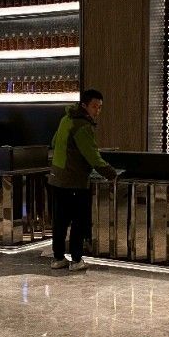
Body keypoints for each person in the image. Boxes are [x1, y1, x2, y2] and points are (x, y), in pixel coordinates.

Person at [48, 89, 117, 271]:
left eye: (100, 107)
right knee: (79, 221)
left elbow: (54, 142)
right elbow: (93, 156)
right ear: (84, 105)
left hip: (57, 178)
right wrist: (111, 173)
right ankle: (76, 259)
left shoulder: (66, 119)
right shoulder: (82, 125)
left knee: (60, 221)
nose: (97, 111)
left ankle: (58, 258)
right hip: (74, 181)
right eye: (94, 106)